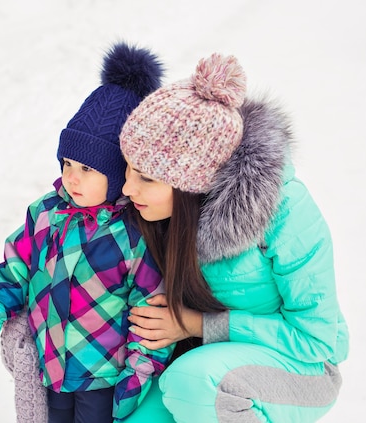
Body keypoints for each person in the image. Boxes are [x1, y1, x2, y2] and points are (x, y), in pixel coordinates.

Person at [118, 53, 349, 422]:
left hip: (299, 370)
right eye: (127, 169)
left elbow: (315, 340)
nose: (128, 188)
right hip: (205, 363)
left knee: (192, 383)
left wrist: (196, 325)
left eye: (146, 177)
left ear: (191, 183)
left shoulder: (286, 211)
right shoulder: (161, 212)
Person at [0, 42, 174, 423]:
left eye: (89, 170)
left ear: (118, 174)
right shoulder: (45, 214)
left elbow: (149, 306)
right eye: (68, 163)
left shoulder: (133, 235)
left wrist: (139, 372)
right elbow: (16, 267)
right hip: (50, 368)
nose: (72, 177)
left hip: (103, 377)